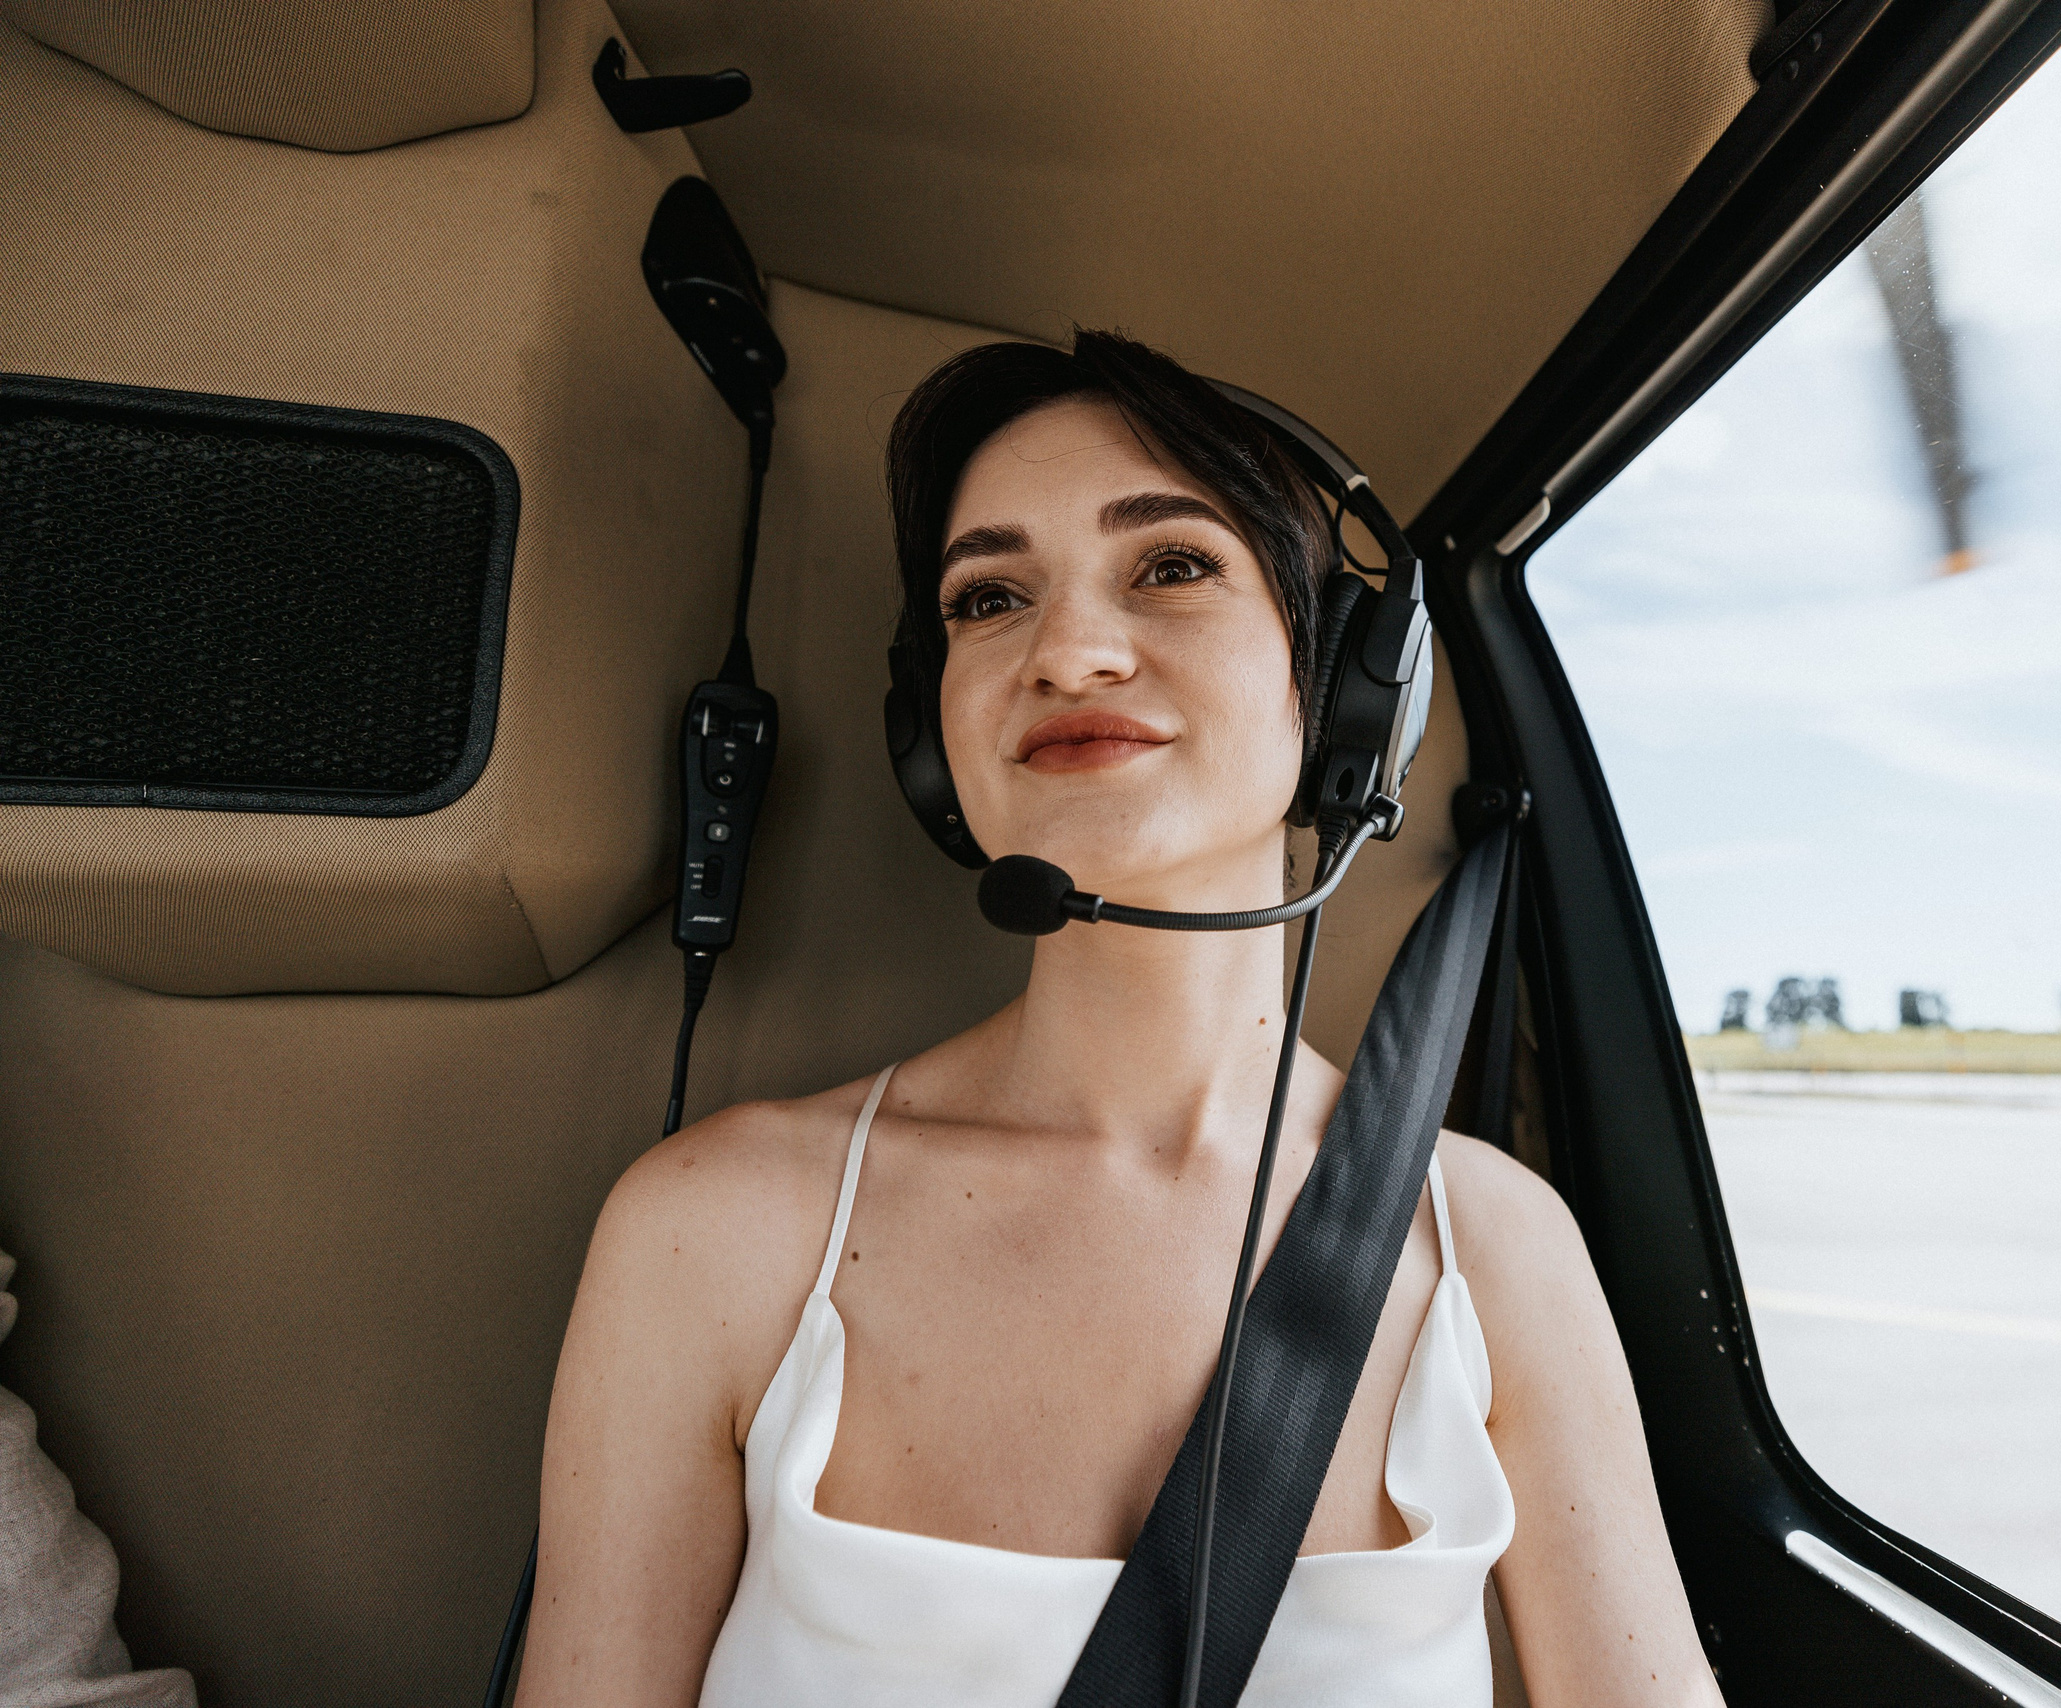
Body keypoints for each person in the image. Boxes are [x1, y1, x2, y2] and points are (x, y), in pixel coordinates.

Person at [518, 332, 1719, 1707]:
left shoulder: (1492, 1249)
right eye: (989, 597)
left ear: (1344, 691)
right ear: (930, 734)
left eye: (1172, 567)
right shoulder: (717, 1228)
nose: (1070, 654)